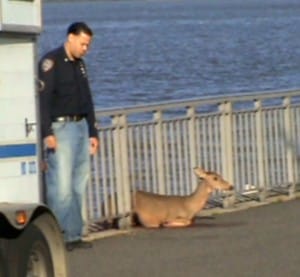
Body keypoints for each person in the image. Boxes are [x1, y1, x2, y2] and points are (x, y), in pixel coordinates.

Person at [38, 22, 99, 251]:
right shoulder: (51, 63)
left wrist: (93, 132)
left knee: (78, 184)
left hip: (80, 126)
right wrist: (47, 133)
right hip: (61, 128)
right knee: (60, 187)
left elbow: (87, 98)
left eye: (88, 45)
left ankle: (74, 234)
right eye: (83, 44)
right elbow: (43, 102)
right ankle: (58, 236)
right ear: (70, 38)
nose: (85, 49)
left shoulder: (80, 65)